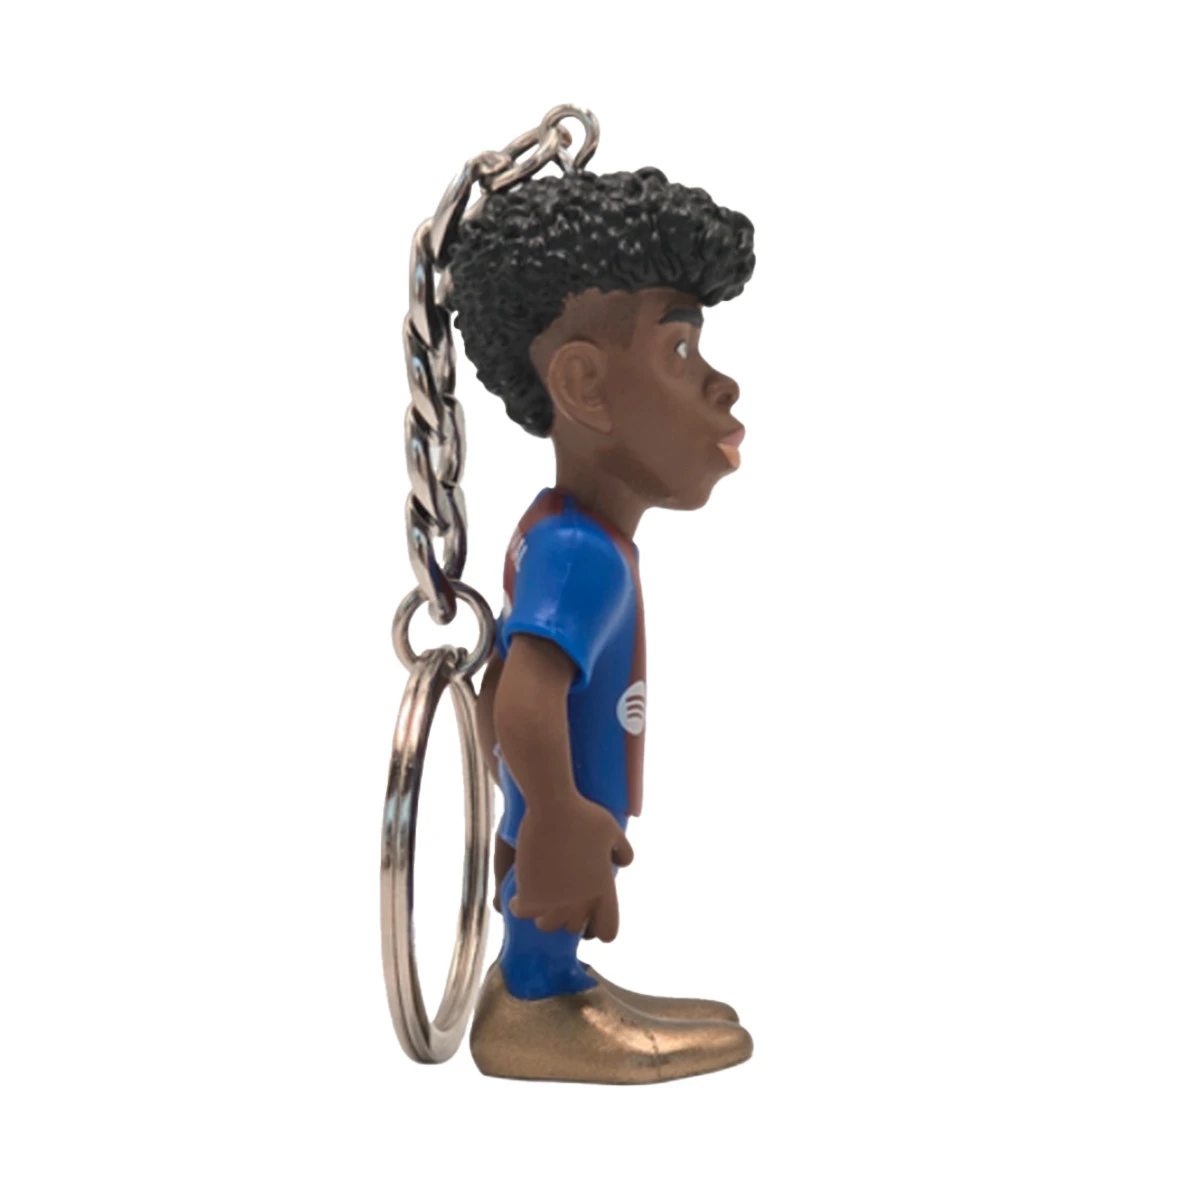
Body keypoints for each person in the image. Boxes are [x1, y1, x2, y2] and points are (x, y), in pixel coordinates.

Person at [448, 165, 756, 1083]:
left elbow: (509, 679)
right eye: (679, 351)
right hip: (567, 803)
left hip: (559, 796)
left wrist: (533, 799)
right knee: (553, 893)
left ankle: (554, 982)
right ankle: (535, 1001)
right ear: (584, 384)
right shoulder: (581, 554)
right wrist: (554, 812)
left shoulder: (569, 531)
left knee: (555, 892)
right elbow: (528, 693)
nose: (722, 385)